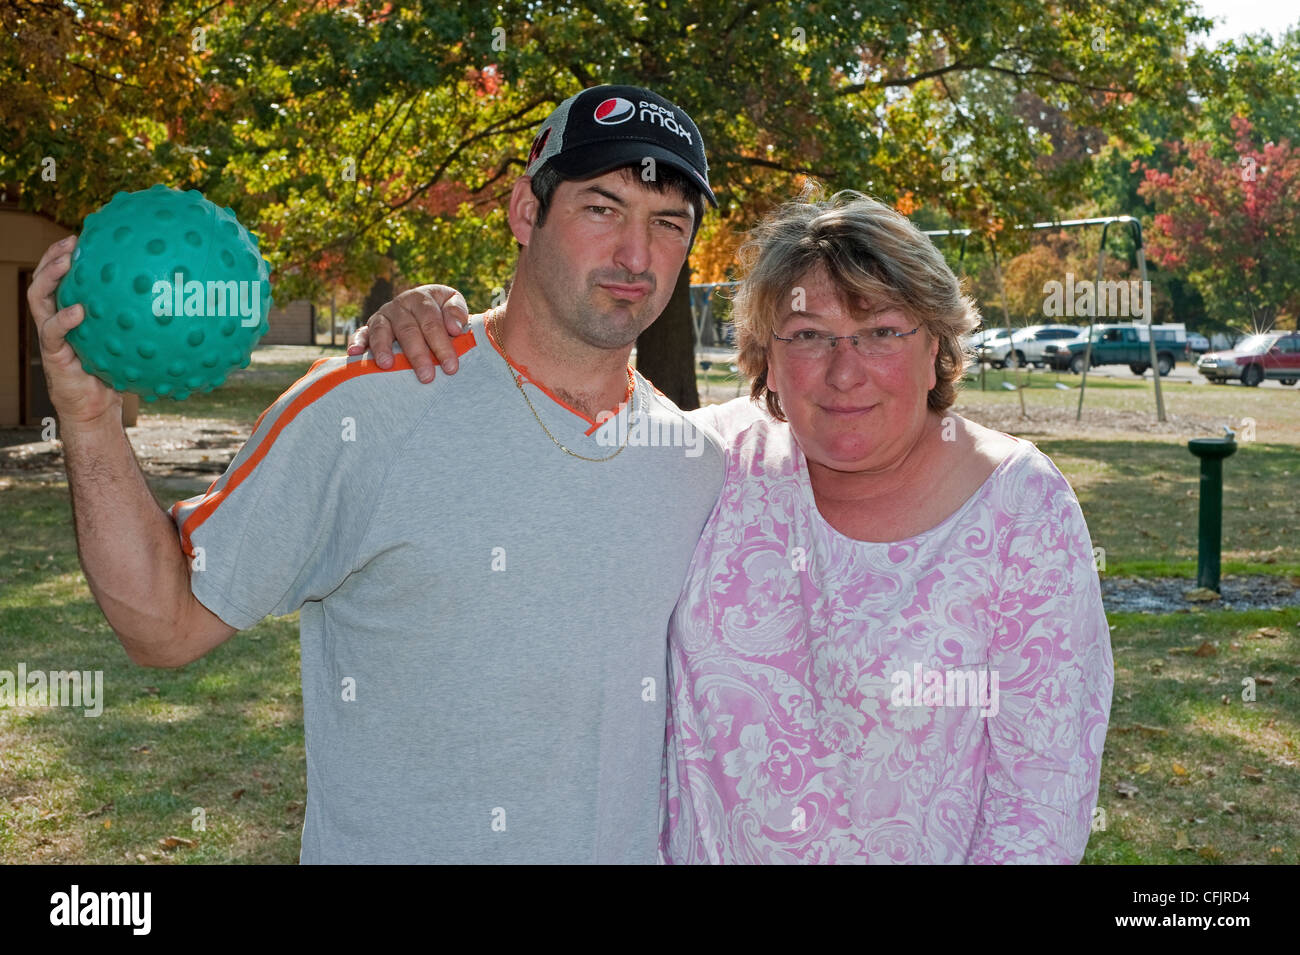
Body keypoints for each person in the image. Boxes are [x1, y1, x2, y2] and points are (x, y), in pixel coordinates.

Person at [27, 84, 725, 863]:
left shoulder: (696, 463)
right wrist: (87, 420)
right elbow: (163, 624)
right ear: (526, 212)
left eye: (668, 223)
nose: (636, 255)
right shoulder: (366, 407)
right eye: (603, 208)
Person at [353, 188, 1115, 864]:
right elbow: (537, 455)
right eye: (809, 335)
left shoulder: (1019, 506)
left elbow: (1040, 801)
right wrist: (442, 332)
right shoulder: (706, 462)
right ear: (766, 357)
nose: (844, 371)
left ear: (937, 347)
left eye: (881, 331)